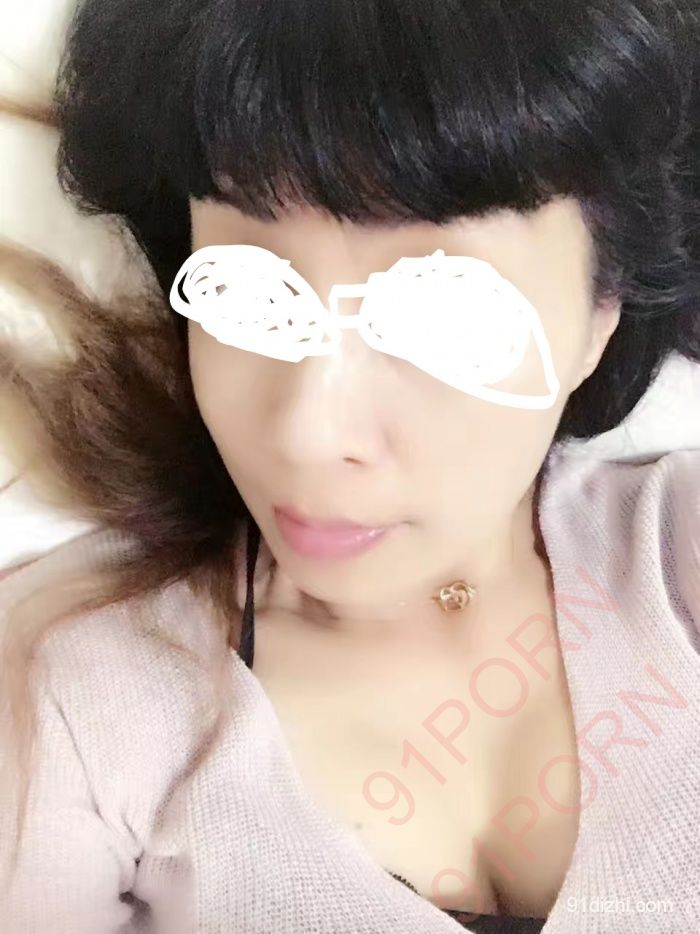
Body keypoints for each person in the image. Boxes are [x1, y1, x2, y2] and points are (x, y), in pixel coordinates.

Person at [1, 1, 699, 932]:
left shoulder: (678, 558)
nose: (305, 430)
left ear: (600, 315)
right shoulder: (80, 692)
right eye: (250, 295)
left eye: (442, 309)